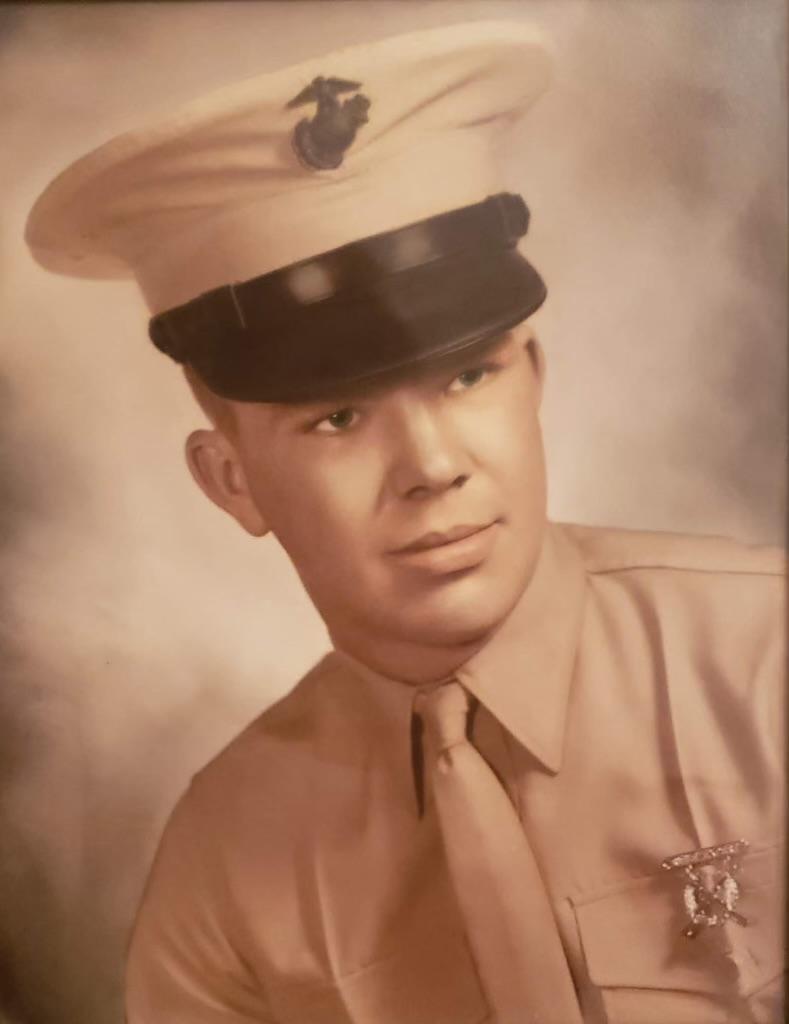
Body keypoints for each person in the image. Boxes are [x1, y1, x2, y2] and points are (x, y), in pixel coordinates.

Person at [25, 21, 784, 1024]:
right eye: (339, 418)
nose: (432, 467)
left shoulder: (764, 661)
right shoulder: (223, 878)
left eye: (469, 376)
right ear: (233, 482)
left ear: (533, 377)